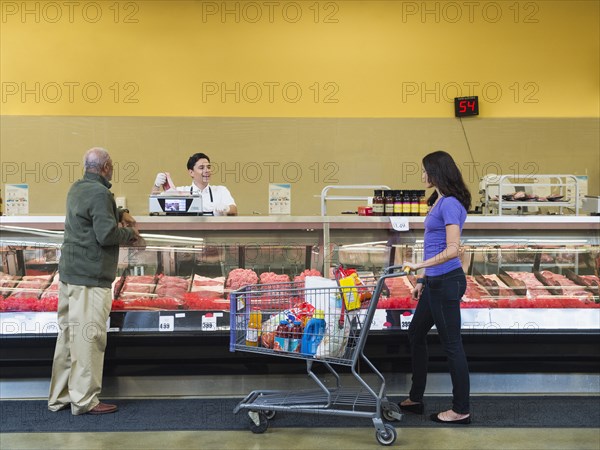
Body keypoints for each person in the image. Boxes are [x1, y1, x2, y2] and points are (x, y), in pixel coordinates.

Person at [48, 147, 140, 415]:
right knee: (89, 339)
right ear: (107, 166)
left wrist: (119, 210)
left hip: (70, 275)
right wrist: (131, 235)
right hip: (90, 278)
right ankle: (86, 400)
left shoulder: (77, 188)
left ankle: (61, 396)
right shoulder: (100, 193)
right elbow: (106, 235)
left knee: (68, 337)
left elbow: (94, 209)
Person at [400, 150, 472, 425]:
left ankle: (461, 409)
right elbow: (434, 243)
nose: (422, 176)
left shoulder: (451, 203)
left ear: (437, 172)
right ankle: (416, 398)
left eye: (425, 171)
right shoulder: (439, 199)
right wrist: (422, 279)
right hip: (433, 282)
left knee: (452, 346)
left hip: (446, 282)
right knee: (416, 333)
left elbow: (453, 250)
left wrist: (419, 267)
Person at [152, 152, 237, 216]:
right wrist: (156, 186)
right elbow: (156, 207)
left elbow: (234, 210)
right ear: (191, 172)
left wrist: (227, 208)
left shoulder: (220, 190)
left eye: (209, 167)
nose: (207, 170)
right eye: (201, 168)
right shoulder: (181, 192)